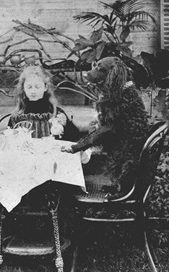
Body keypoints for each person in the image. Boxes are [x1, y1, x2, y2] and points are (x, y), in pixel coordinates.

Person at [62, 56, 149, 198]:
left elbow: (107, 129)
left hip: (128, 162)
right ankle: (117, 186)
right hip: (120, 154)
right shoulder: (123, 94)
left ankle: (120, 191)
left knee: (127, 163)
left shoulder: (124, 100)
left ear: (112, 75)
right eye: (96, 67)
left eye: (100, 70)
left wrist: (77, 146)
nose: (91, 72)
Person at [8, 65, 80, 141]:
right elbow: (9, 141)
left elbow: (74, 138)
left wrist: (66, 125)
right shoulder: (18, 115)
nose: (33, 91)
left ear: (45, 87)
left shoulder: (55, 113)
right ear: (23, 89)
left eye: (37, 87)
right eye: (29, 87)